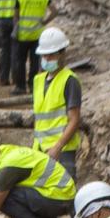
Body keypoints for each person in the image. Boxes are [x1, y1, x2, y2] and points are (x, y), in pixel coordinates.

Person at [31, 26, 83, 177]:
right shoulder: (38, 80)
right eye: (44, 56)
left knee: (64, 193)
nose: (46, 59)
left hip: (62, 150)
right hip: (40, 149)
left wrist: (58, 146)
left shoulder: (69, 80)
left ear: (62, 54)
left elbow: (74, 119)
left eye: (51, 55)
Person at [12, 0, 51, 98]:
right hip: (37, 35)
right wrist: (45, 21)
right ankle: (33, 86)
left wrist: (15, 28)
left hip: (23, 35)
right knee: (35, 63)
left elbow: (16, 16)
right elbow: (55, 11)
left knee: (20, 61)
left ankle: (20, 87)